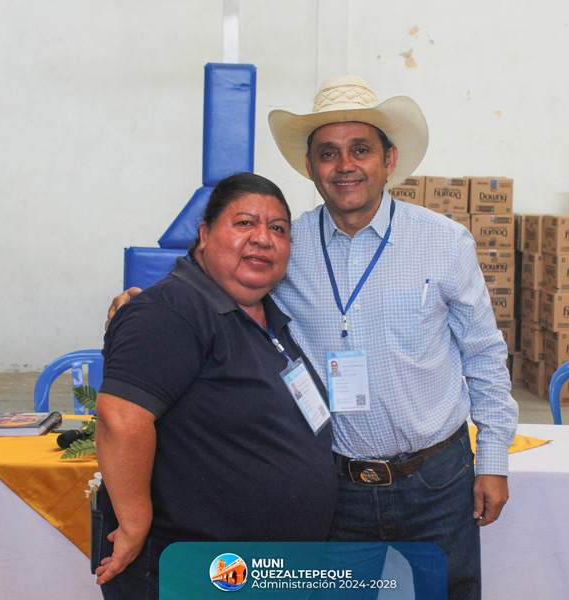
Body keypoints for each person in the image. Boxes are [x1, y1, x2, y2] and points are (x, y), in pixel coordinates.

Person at [109, 76, 518, 599]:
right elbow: (214, 272)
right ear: (309, 166)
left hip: (437, 477)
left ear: (389, 160)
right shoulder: (285, 243)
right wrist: (138, 306)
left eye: (360, 149)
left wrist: (494, 461)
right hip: (337, 486)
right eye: (328, 153)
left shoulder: (444, 243)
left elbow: (484, 355)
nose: (344, 165)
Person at [94, 172, 337, 599]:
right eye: (245, 223)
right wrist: (133, 522)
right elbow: (119, 418)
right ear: (204, 234)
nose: (263, 238)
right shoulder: (172, 309)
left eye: (278, 229)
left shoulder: (266, 315)